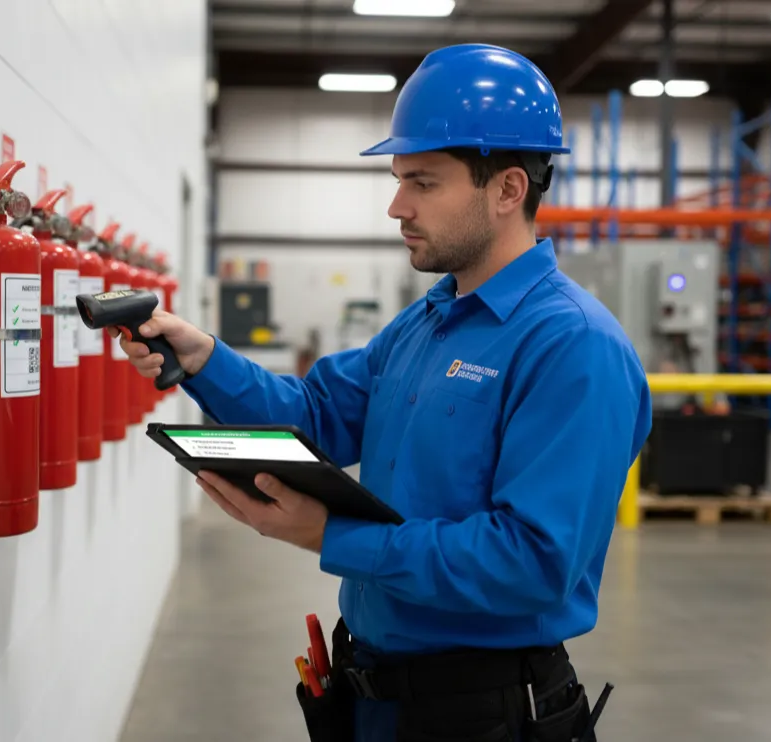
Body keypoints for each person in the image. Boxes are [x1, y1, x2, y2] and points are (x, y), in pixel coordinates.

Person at [113, 43, 652, 742]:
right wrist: (203, 360)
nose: (397, 205)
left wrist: (332, 537)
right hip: (376, 699)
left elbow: (532, 563)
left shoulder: (573, 346)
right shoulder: (429, 321)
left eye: (423, 181)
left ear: (508, 190)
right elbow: (315, 416)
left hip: (481, 713)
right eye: (399, 179)